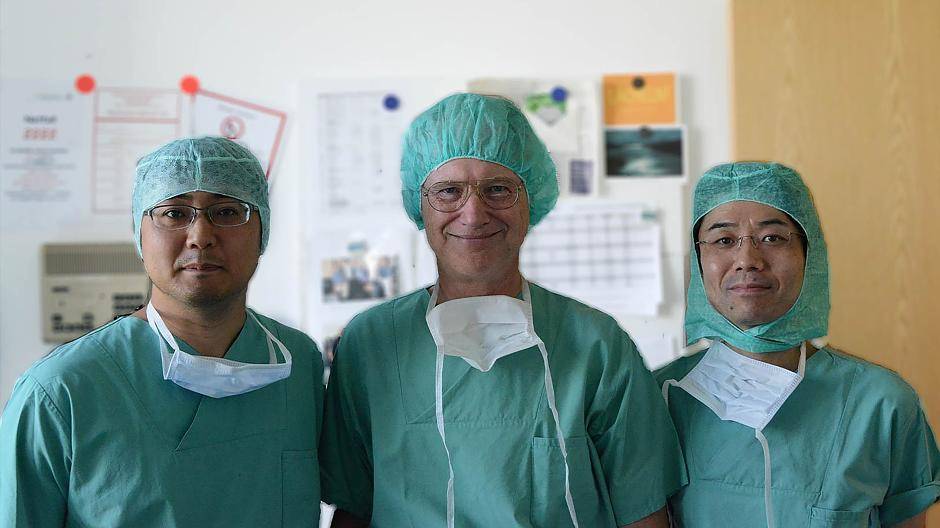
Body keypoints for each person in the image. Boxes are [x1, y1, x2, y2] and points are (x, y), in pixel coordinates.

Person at [319, 93, 685, 528]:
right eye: (448, 191)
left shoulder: (596, 345)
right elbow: (354, 508)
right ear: (420, 207)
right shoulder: (373, 343)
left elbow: (642, 510)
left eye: (498, 189)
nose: (473, 214)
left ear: (532, 203)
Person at [0, 137, 324, 527]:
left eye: (227, 211)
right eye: (173, 213)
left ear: (262, 232)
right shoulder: (61, 389)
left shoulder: (298, 364)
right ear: (140, 235)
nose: (201, 235)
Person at [655, 162, 940, 527]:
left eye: (773, 238)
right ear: (698, 261)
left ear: (810, 255)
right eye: (723, 240)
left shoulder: (881, 403)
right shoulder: (657, 399)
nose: (747, 260)